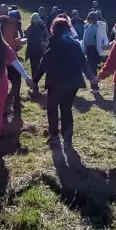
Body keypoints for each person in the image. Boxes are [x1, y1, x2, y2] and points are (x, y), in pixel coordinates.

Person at [38, 16, 88, 146]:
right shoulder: (75, 44)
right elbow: (83, 61)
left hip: (56, 82)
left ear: (53, 29)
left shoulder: (54, 43)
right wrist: (91, 77)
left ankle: (54, 135)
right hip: (72, 82)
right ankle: (67, 137)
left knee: (52, 108)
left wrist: (35, 79)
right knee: (66, 109)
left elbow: (44, 62)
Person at [81, 11, 105, 93]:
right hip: (88, 48)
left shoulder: (98, 27)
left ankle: (95, 87)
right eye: (89, 18)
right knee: (90, 67)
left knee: (93, 67)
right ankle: (93, 86)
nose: (90, 20)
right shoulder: (88, 27)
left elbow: (101, 38)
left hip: (94, 49)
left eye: (92, 18)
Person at [24, 12, 47, 84]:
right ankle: (35, 82)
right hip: (37, 49)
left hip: (33, 49)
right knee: (36, 66)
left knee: (34, 67)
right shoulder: (41, 27)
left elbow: (26, 37)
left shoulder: (31, 28)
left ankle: (35, 81)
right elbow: (47, 36)